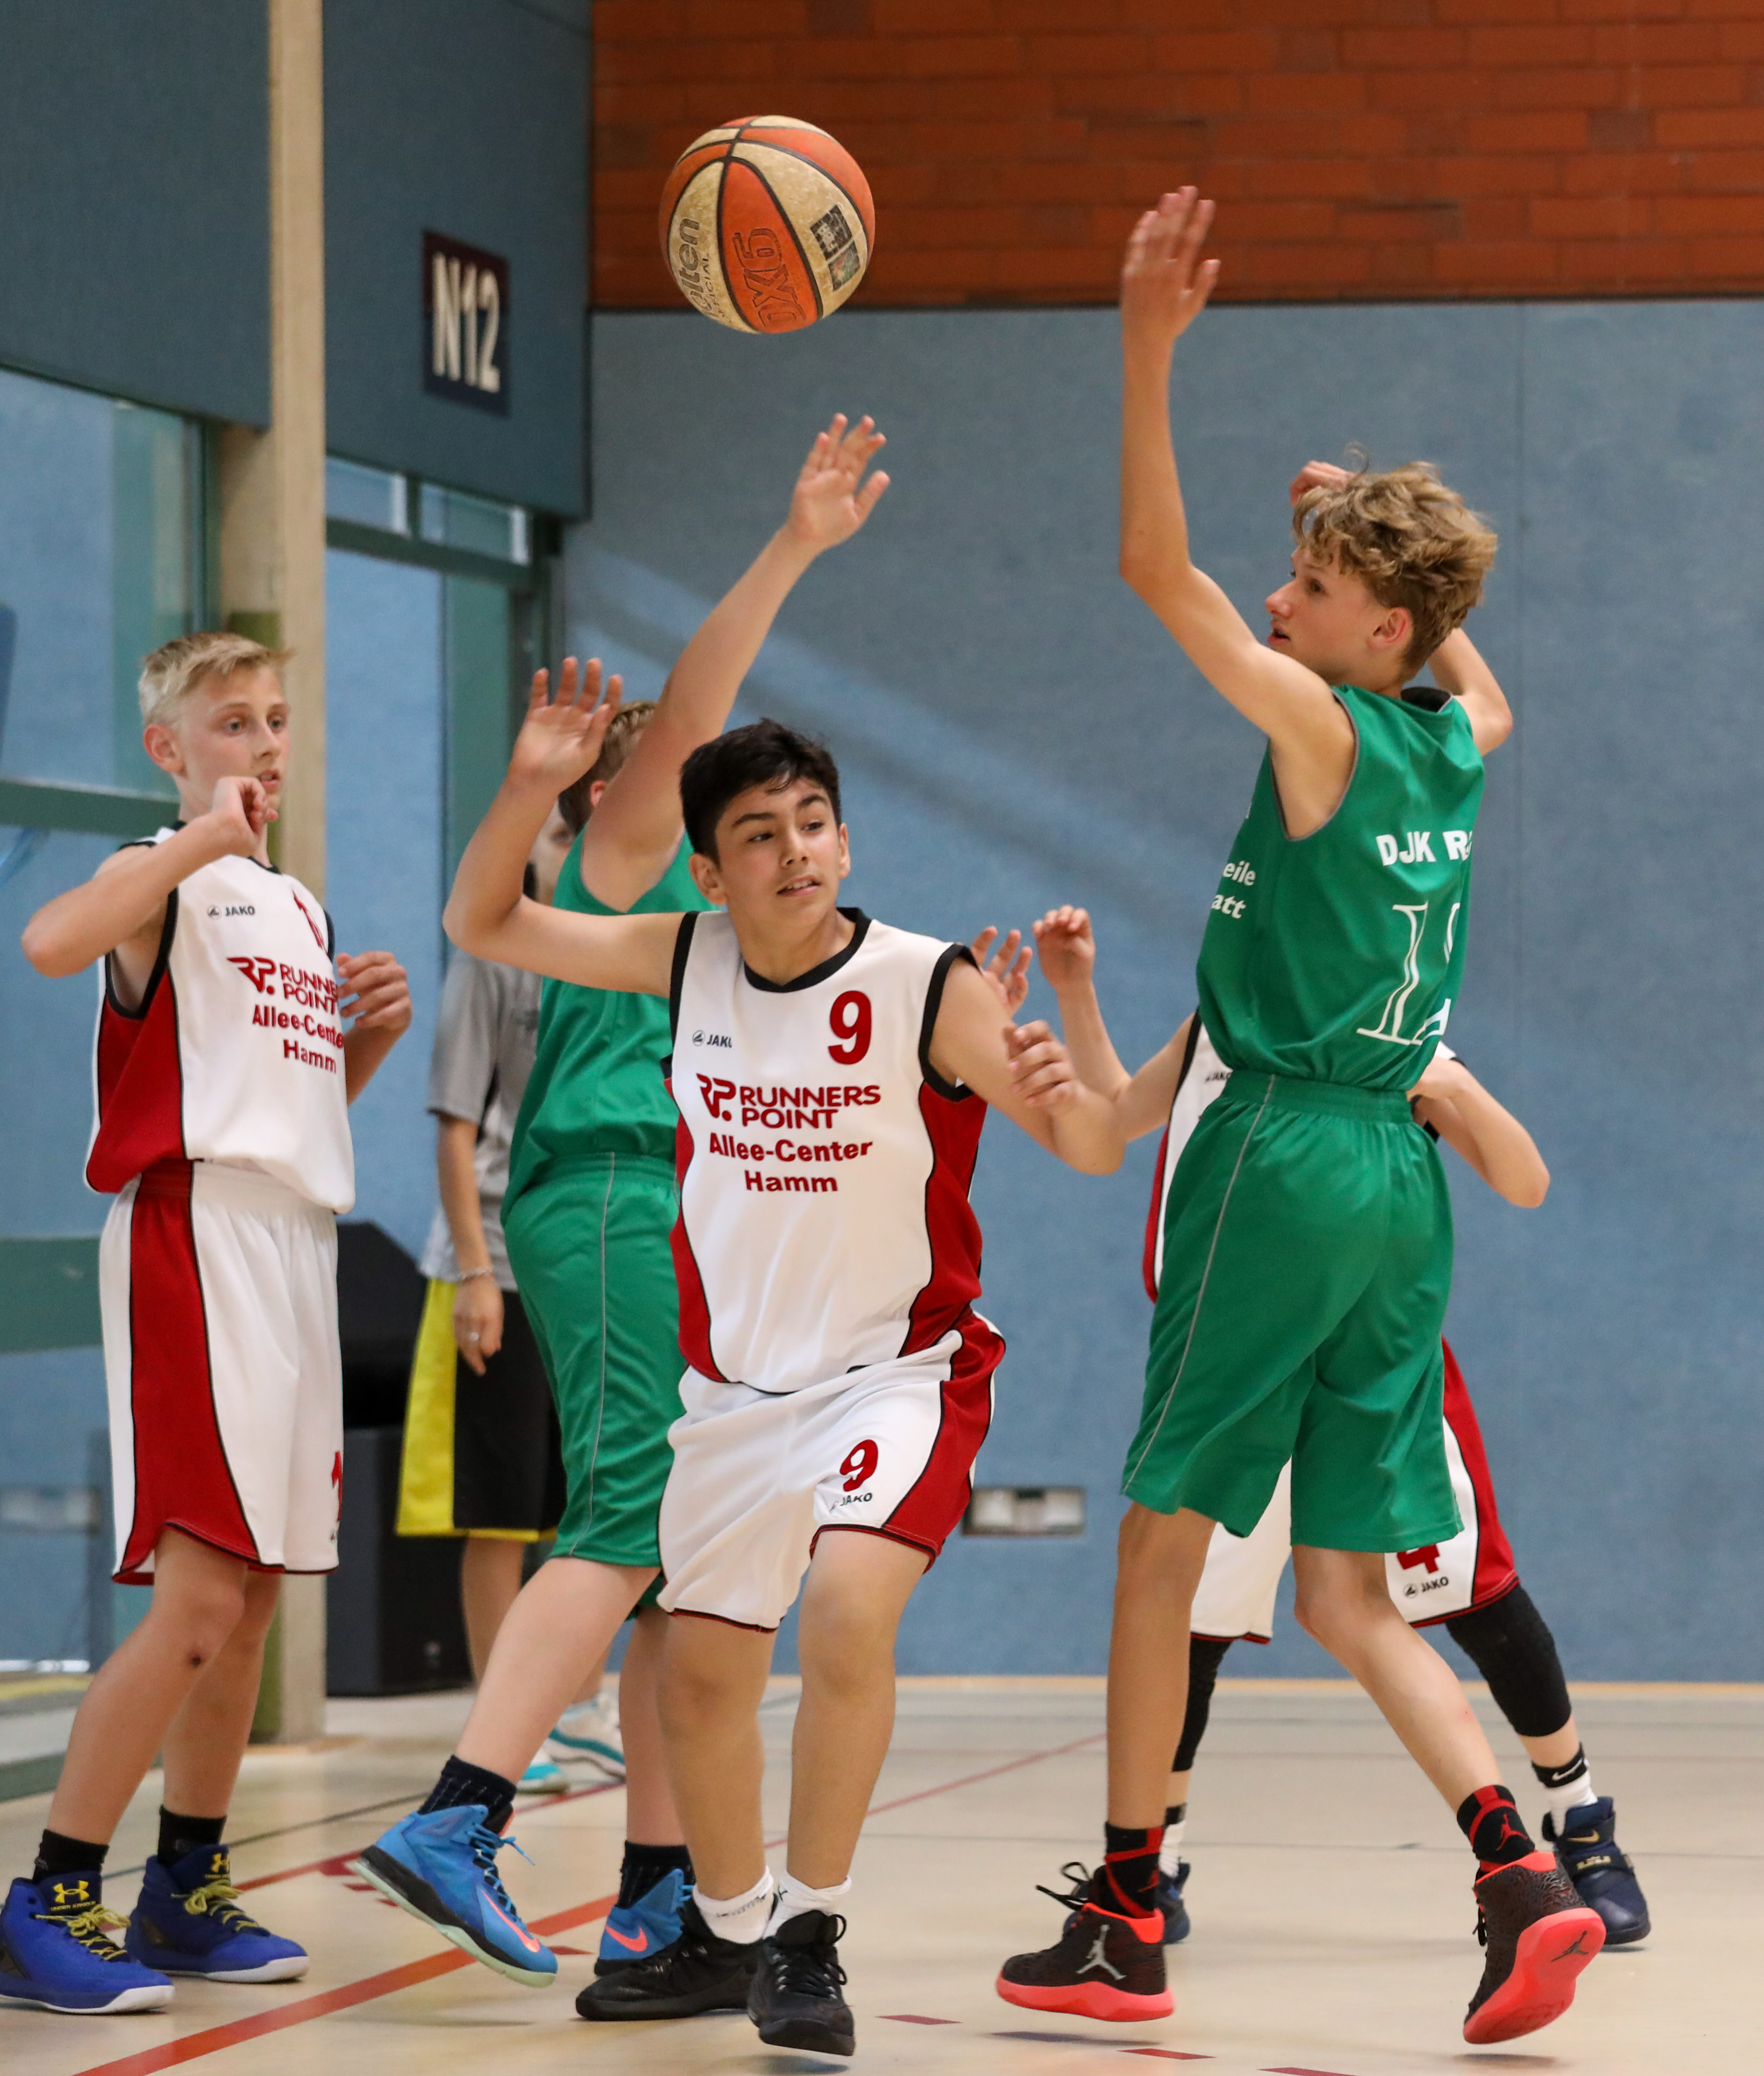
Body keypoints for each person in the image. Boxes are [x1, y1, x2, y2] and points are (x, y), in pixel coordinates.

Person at [996, 190, 1605, 2050]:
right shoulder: (1446, 740)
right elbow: (1488, 684)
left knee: (1159, 1545)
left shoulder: (1330, 732)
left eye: (1315, 590)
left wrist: (1145, 349)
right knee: (1347, 1589)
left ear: (1377, 630)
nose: (1280, 602)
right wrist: (1360, 524)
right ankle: (1522, 1875)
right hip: (1397, 1185)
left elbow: (1149, 569)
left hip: (1278, 1152)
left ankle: (1125, 1909)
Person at [433, 678, 1122, 2055]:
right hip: (736, 1396)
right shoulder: (681, 958)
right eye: (758, 832)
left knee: (852, 1608)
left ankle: (809, 1938)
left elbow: (1094, 1146)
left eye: (813, 822)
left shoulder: (926, 983)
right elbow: (483, 922)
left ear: (846, 842)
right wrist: (527, 787)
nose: (794, 848)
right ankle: (730, 1927)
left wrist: (1071, 1041)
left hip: (899, 1371)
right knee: (700, 1681)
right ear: (709, 871)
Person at [355, 419, 894, 1990]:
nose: (773, 831)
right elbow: (702, 700)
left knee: (688, 1559)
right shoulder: (636, 851)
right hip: (606, 1192)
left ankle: (666, 1893)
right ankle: (461, 1812)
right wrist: (795, 543)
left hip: (682, 1217)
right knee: (621, 1519)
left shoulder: (741, 926)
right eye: (717, 790)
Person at [1037, 903, 1651, 1953]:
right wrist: (1074, 992)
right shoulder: (1218, 1024)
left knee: (1475, 1596)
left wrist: (1451, 1085)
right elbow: (1114, 1118)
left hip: (1365, 1369)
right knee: (1191, 1621)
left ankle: (1578, 1817)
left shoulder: (1381, 1045)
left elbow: (1527, 1179)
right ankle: (1153, 1859)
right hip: (1230, 1371)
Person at [0, 631, 412, 2014]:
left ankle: (186, 1888)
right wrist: (195, 842)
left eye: (275, 718)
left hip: (292, 1238)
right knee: (199, 1596)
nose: (264, 743)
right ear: (171, 748)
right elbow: (48, 942)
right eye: (231, 722)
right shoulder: (157, 875)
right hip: (193, 1234)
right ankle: (46, 1901)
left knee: (257, 1595)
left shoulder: (297, 907)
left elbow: (287, 1113)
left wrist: (366, 1042)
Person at [398, 802, 618, 1793]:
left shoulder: (625, 958)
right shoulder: (492, 955)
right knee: (500, 1511)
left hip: (591, 1269)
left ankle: (580, 1710)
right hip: (498, 1262)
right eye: (560, 834)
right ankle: (499, 1727)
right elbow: (455, 1128)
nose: (574, 852)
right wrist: (476, 1272)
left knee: (593, 1503)